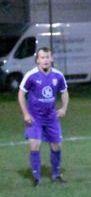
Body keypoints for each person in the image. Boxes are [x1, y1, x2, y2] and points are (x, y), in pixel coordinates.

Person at [18, 46, 69, 186]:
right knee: (35, 145)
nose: (45, 60)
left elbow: (64, 92)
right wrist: (25, 113)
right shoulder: (31, 76)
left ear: (52, 59)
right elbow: (21, 94)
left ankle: (56, 175)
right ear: (37, 60)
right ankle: (36, 178)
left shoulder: (58, 76)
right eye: (42, 57)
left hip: (51, 117)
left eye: (47, 57)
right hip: (34, 118)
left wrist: (64, 108)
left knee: (56, 146)